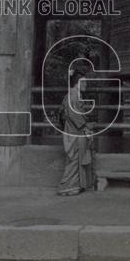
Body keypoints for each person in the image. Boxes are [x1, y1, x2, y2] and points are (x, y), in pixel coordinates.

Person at [57, 65, 96, 196]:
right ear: (77, 83)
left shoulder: (74, 95)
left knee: (77, 157)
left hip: (73, 128)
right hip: (74, 129)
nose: (86, 84)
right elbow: (74, 115)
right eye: (83, 82)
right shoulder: (73, 96)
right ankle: (66, 186)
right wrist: (85, 128)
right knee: (74, 158)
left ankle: (74, 186)